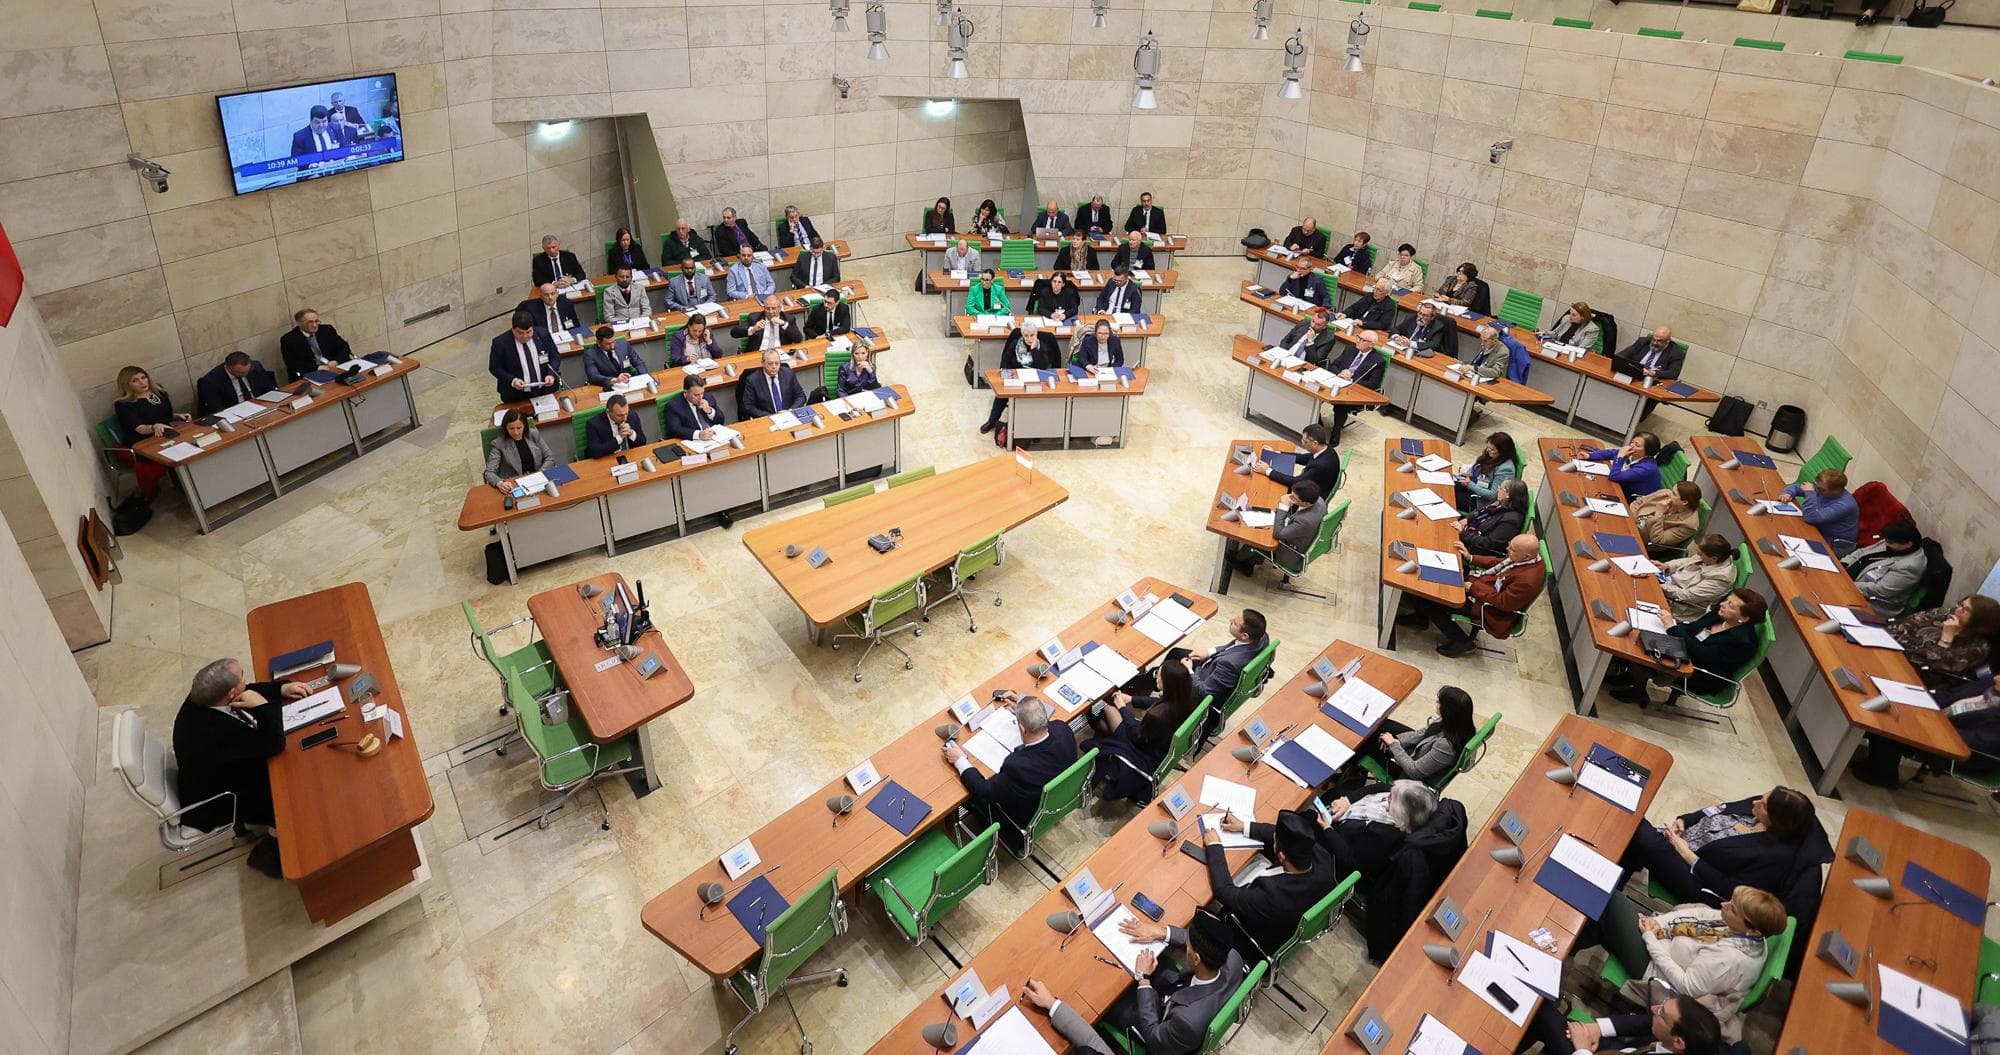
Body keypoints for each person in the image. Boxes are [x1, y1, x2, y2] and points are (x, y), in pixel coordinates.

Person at [172, 658, 312, 876]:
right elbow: (274, 744)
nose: (245, 682)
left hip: (221, 770)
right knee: (289, 792)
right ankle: (273, 850)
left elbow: (246, 691)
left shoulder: (202, 696)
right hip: (223, 797)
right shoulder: (213, 732)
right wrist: (265, 707)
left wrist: (281, 688)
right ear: (229, 694)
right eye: (242, 678)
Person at [1594, 887, 1786, 1043]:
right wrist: (1658, 923)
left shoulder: (1729, 961)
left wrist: (1649, 938)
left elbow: (1686, 985)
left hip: (1658, 972)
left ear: (1753, 930)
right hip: (1660, 943)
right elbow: (1700, 914)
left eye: (1733, 908)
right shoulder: (1740, 929)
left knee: (1607, 897)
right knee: (1602, 921)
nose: (1723, 905)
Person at [1163, 811, 1336, 964]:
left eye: (1275, 842)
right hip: (1289, 921)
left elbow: (1224, 891)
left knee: (1200, 891)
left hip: (1250, 936)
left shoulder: (1273, 897)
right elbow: (1277, 835)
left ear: (1282, 856)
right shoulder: (1322, 859)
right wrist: (1244, 826)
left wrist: (1215, 846)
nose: (1273, 839)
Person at [1620, 786, 1822, 908]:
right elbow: (1719, 809)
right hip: (1680, 843)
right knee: (1633, 839)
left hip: (1699, 880)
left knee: (1637, 829)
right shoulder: (1753, 809)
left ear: (1778, 820)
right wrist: (1686, 820)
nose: (1755, 801)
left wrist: (1687, 855)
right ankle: (1615, 879)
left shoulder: (1776, 858)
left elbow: (1731, 890)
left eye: (1763, 804)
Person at [942, 694, 1077, 854]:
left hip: (1018, 825)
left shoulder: (1018, 767)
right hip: (1056, 805)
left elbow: (984, 792)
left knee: (964, 793)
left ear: (1022, 728)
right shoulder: (1063, 730)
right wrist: (1023, 711)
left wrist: (959, 760)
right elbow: (1050, 724)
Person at [1399, 534, 1547, 657]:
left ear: (1526, 556)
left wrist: (1473, 587)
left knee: (1430, 598)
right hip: (1483, 588)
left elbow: (1503, 603)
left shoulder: (1528, 580)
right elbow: (1499, 562)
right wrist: (1470, 557)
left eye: (1512, 549)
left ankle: (1461, 641)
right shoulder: (1523, 558)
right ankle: (1422, 616)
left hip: (1489, 608)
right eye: (1510, 545)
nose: (1508, 550)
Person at [1082, 660, 1201, 804]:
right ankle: (1106, 734)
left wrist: (1123, 708)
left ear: (1168, 683)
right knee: (1107, 721)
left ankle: (1104, 736)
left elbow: (1136, 736)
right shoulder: (1186, 699)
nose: (1156, 677)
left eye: (1159, 675)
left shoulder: (1157, 716)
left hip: (1143, 750)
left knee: (1108, 710)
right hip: (1158, 743)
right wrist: (1132, 699)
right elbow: (1158, 702)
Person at [1855, 673, 2000, 788]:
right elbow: (1949, 695)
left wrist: (1930, 726)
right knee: (1886, 706)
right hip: (1935, 720)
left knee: (1890, 723)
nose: (1996, 678)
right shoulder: (1989, 683)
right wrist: (1920, 701)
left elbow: (1979, 743)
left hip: (1962, 751)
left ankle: (1882, 774)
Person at [1624, 588, 1767, 705]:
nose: (1723, 604)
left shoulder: (1742, 643)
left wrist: (1672, 628)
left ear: (1744, 618)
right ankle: (1628, 677)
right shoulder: (1721, 614)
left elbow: (1701, 655)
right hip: (1686, 652)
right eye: (1727, 600)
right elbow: (1692, 628)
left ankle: (1638, 692)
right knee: (1639, 638)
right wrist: (1670, 625)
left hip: (1699, 673)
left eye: (1731, 605)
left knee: (1641, 654)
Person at [1309, 780, 1439, 883]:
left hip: (1335, 847)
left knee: (1305, 821)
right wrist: (1347, 801)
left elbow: (1350, 862)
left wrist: (1327, 829)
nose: (1388, 794)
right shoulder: (1401, 795)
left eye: (1391, 798)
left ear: (1401, 812)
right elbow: (1376, 788)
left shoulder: (1383, 837)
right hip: (1343, 817)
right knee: (1334, 793)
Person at [1349, 687, 1477, 785]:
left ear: (1448, 710)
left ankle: (1351, 777)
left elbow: (1414, 771)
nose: (1436, 703)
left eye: (1439, 702)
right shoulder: (1456, 723)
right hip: (1421, 750)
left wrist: (1393, 745)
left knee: (1366, 743)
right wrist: (1397, 740)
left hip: (1410, 776)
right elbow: (1424, 732)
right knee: (1382, 726)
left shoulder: (1446, 746)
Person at [1521, 994, 1725, 1055]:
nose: (1654, 1008)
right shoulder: (1678, 1036)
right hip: (1620, 1050)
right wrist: (1597, 1029)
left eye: (1661, 1012)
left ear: (1678, 1042)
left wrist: (1582, 1049)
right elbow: (1645, 1022)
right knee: (1540, 1019)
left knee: (1540, 1010)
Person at [1887, 595, 2000, 691]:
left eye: (1966, 610)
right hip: (1892, 653)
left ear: (1978, 620)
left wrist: (1946, 637)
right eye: (1961, 604)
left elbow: (1931, 667)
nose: (1958, 609)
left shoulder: (1977, 648)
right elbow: (1901, 626)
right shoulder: (1942, 613)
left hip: (1913, 677)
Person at [111, 366, 191, 501]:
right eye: (135, 381)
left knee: (191, 440)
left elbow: (165, 417)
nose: (142, 383)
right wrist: (154, 427)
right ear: (127, 385)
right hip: (142, 441)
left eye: (143, 377)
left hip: (164, 432)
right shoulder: (123, 404)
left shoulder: (159, 392)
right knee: (176, 451)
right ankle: (184, 487)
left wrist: (178, 416)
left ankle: (191, 482)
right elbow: (140, 428)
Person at [1226, 480, 1326, 578]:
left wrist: (1283, 506)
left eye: (1294, 498)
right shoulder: (1319, 500)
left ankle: (1241, 561)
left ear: (1306, 503)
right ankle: (1251, 561)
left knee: (1260, 534)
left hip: (1290, 553)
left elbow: (1278, 534)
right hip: (1299, 536)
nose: (1289, 498)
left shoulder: (1305, 521)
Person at [979, 318, 1059, 434]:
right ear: (1022, 335)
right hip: (1017, 378)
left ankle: (1035, 428)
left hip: (1036, 381)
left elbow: (1043, 366)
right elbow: (1005, 362)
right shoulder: (1015, 344)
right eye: (1026, 336)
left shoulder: (1042, 346)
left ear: (1036, 334)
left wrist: (1034, 350)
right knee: (1001, 395)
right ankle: (992, 420)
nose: (1029, 339)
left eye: (1032, 335)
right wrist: (1007, 376)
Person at [1842, 520, 1927, 617]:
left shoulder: (1910, 566)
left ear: (1908, 544)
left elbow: (1880, 590)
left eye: (1890, 542)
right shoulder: (1892, 542)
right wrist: (1844, 563)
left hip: (1871, 601)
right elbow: (1862, 552)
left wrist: (1848, 584)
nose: (1885, 543)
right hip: (1848, 579)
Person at [1323, 330, 1388, 442]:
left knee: (1341, 405)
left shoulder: (1378, 361)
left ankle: (1336, 432)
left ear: (1371, 344)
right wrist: (1340, 372)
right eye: (1358, 337)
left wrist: (1352, 379)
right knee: (1318, 392)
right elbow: (1334, 365)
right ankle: (1318, 423)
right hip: (1338, 381)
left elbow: (1372, 384)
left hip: (1354, 390)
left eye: (1362, 340)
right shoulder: (1350, 349)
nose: (1357, 340)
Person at [1658, 534, 1739, 623]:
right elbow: (1688, 561)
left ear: (1713, 558)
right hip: (1669, 584)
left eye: (1700, 554)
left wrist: (1661, 586)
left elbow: (1687, 595)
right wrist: (1667, 566)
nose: (1697, 555)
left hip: (1678, 607)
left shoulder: (1720, 579)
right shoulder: (1709, 557)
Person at [488, 310, 560, 403]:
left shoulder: (543, 334)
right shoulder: (500, 343)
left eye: (528, 332)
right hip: (516, 395)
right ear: (513, 329)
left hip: (545, 391)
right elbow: (495, 368)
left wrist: (551, 374)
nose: (525, 336)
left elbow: (555, 356)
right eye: (520, 333)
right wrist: (513, 381)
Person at [1780, 469, 1858, 550]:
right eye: (1817, 487)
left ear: (1836, 491)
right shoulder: (1822, 488)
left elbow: (1811, 518)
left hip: (1834, 544)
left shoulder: (1845, 505)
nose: (1817, 490)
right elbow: (1797, 487)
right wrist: (1787, 493)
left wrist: (1810, 493)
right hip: (1817, 529)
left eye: (1821, 489)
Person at [1254, 423, 1339, 495]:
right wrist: (1277, 453)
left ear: (1315, 443)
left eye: (1305, 441)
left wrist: (1267, 471)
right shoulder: (1326, 448)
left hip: (1309, 496)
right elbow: (1303, 458)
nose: (1302, 442)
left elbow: (1296, 482)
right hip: (1310, 482)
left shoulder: (1320, 466)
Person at [484, 409, 555, 491]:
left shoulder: (534, 434)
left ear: (524, 426)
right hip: (514, 484)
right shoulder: (498, 444)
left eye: (519, 428)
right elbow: (489, 472)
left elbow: (550, 457)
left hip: (538, 480)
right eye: (511, 428)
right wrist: (500, 483)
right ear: (505, 428)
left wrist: (540, 473)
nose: (516, 432)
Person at [1457, 478, 1528, 558]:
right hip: (1470, 532)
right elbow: (1479, 510)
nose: (1498, 490)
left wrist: (1463, 533)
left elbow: (1488, 543)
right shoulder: (1500, 502)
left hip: (1475, 548)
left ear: (1508, 494)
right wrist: (1467, 519)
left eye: (1501, 488)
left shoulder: (1511, 521)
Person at [279, 307, 353, 380]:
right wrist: (317, 368)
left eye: (316, 321)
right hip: (311, 372)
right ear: (299, 323)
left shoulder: (327, 330)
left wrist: (336, 361)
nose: (314, 325)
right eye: (310, 322)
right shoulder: (288, 339)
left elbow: (344, 347)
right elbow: (292, 364)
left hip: (334, 367)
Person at [1585, 431, 1664, 500]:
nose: (1631, 446)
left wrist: (1620, 457)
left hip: (1634, 499)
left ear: (1647, 452)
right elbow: (1611, 453)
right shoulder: (1633, 453)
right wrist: (1590, 455)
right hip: (1621, 487)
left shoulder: (1647, 468)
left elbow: (1614, 476)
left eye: (1637, 445)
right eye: (1632, 442)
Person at [196, 351, 277, 415]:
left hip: (261, 407)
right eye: (241, 373)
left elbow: (270, 389)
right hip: (236, 414)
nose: (246, 374)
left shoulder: (255, 366)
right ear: (228, 367)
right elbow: (218, 410)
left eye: (247, 371)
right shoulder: (211, 381)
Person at [1454, 431, 1518, 511]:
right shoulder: (1490, 455)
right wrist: (1470, 475)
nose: (1488, 450)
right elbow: (1479, 469)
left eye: (1492, 449)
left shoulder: (1505, 469)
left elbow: (1492, 495)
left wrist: (1470, 484)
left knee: (1447, 494)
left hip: (1478, 501)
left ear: (1502, 451)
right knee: (1446, 483)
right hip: (1472, 487)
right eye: (1488, 447)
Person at [1632, 481, 1704, 552]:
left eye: (1674, 494)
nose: (1669, 494)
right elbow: (1638, 502)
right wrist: (1630, 520)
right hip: (1630, 522)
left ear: (1684, 502)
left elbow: (1658, 540)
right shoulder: (1665, 493)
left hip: (1640, 541)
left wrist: (1659, 514)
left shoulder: (1689, 524)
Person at [738, 348, 806, 419]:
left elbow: (801, 396)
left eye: (777, 363)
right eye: (770, 363)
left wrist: (790, 411)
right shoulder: (753, 380)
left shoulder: (788, 374)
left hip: (789, 416)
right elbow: (748, 406)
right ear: (763, 363)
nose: (774, 367)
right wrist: (771, 416)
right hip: (767, 419)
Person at [663, 374, 726, 441]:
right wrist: (698, 434)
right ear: (686, 392)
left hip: (713, 437)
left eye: (702, 393)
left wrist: (710, 411)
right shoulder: (674, 406)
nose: (700, 397)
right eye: (696, 395)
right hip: (693, 441)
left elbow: (721, 420)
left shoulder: (708, 397)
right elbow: (675, 430)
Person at [584, 392, 647, 458]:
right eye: (620, 415)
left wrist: (631, 433)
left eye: (626, 413)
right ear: (608, 412)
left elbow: (643, 442)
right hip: (608, 459)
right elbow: (595, 452)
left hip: (630, 456)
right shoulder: (594, 424)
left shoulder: (632, 416)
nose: (625, 418)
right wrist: (619, 438)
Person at [1613, 326, 1686, 383]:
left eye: (1659, 341)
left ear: (1668, 341)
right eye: (1653, 339)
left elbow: (1673, 373)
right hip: (1632, 376)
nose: (1655, 343)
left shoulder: (1676, 353)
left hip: (1652, 381)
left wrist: (1653, 373)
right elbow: (1621, 356)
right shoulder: (1643, 342)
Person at [583, 326, 648, 388]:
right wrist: (615, 380)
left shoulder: (623, 344)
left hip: (629, 382)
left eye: (613, 342)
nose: (612, 346)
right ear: (598, 342)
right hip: (608, 386)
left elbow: (638, 362)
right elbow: (593, 376)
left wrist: (644, 377)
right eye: (607, 344)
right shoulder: (590, 354)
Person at [735, 295, 803, 350]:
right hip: (759, 353)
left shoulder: (788, 318)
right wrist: (753, 329)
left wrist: (783, 324)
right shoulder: (755, 318)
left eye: (773, 308)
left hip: (780, 353)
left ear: (779, 308)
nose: (770, 312)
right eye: (767, 309)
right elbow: (734, 333)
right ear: (764, 308)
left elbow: (798, 339)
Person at [1273, 308, 1337, 366]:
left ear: (1325, 326)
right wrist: (1284, 354)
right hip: (1285, 357)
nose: (1313, 325)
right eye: (1313, 321)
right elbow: (1285, 340)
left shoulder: (1329, 339)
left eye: (1318, 324)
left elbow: (1314, 361)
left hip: (1302, 364)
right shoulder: (1304, 323)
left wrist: (1310, 342)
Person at [289, 105, 354, 157]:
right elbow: (296, 159)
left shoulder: (336, 129)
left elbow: (344, 149)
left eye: (324, 121)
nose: (321, 125)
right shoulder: (300, 136)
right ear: (311, 121)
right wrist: (310, 165)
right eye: (317, 122)